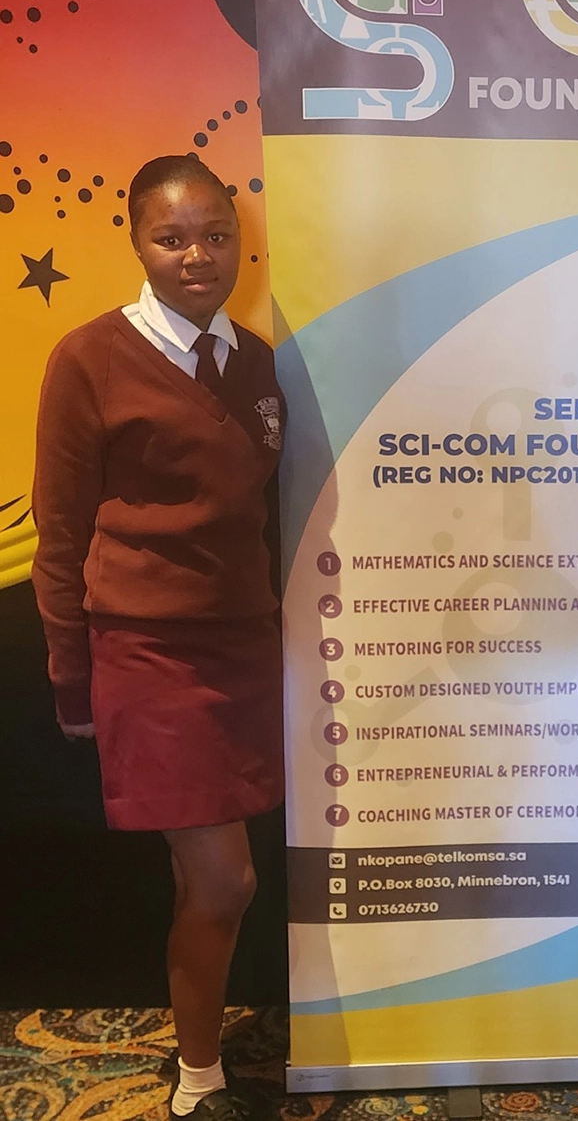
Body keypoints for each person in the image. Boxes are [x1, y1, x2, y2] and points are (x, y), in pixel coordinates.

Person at [32, 155, 284, 1120]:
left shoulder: (256, 361)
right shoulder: (88, 358)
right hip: (147, 654)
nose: (197, 255)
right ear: (136, 242)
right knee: (227, 878)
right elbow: (61, 539)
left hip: (245, 651)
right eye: (171, 237)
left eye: (216, 234)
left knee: (204, 878)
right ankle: (198, 1082)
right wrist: (72, 681)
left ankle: (198, 1052)